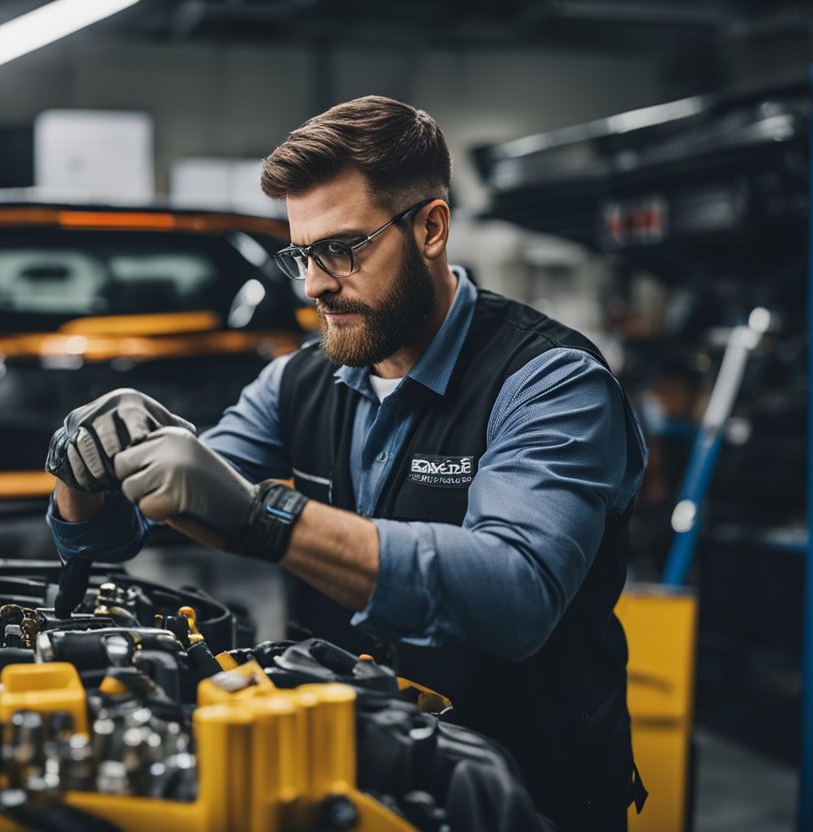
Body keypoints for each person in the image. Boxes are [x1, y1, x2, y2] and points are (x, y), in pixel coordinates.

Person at [44, 95, 647, 830]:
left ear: (431, 227)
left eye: (343, 249)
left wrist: (268, 521)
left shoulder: (550, 383)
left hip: (524, 794)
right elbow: (136, 528)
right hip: (348, 784)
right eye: (302, 253)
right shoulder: (299, 381)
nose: (315, 284)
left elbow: (514, 594)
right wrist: (85, 472)